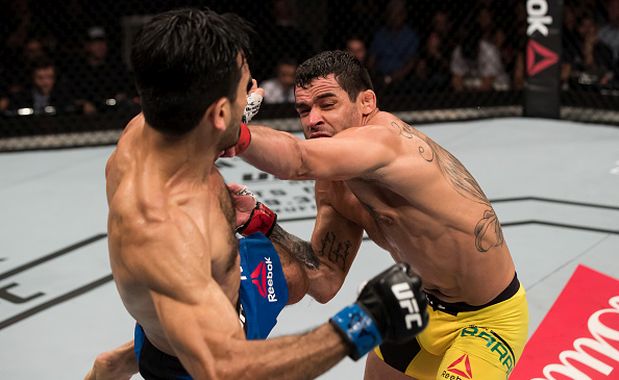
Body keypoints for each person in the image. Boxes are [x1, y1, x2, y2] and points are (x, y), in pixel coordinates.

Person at [101, 8, 427, 380]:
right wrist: (365, 320)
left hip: (213, 284)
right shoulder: (167, 232)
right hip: (195, 363)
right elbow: (225, 369)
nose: (254, 91)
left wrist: (237, 115)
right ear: (218, 114)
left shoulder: (151, 127)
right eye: (244, 88)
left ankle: (131, 349)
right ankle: (137, 351)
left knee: (293, 273)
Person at [225, 50, 529, 379]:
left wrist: (231, 129)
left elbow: (297, 159)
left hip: (486, 320)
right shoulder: (333, 184)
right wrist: (268, 227)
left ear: (367, 102)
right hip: (422, 306)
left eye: (327, 104)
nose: (313, 120)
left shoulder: (388, 142)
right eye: (304, 110)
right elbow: (325, 279)